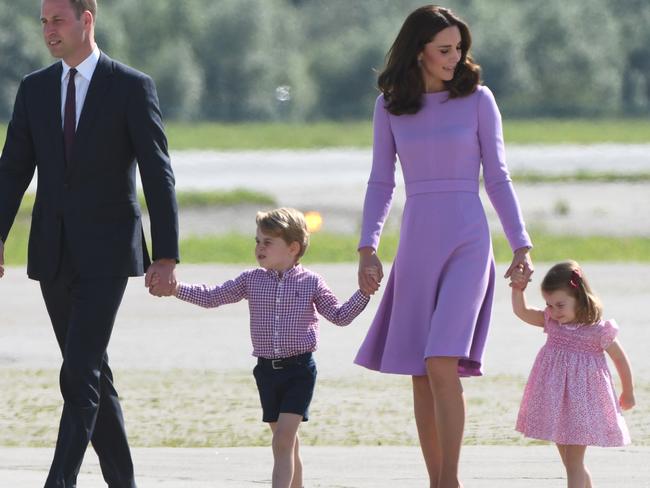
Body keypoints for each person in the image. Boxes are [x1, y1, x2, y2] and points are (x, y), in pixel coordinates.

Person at [353, 5, 534, 488]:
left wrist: (521, 244)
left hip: (468, 240)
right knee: (420, 369)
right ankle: (436, 481)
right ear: (419, 52)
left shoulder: (479, 100)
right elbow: (380, 182)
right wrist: (367, 247)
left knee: (441, 361)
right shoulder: (390, 105)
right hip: (416, 242)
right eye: (445, 49)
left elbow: (497, 177)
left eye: (459, 49)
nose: (455, 57)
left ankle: (450, 480)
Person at [0, 0, 179, 486]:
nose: (48, 30)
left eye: (57, 20)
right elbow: (12, 170)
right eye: (43, 22)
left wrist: (165, 254)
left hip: (108, 253)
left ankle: (59, 481)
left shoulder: (131, 87)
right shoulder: (35, 89)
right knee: (92, 372)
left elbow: (158, 173)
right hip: (52, 253)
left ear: (87, 19)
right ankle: (124, 481)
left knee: (78, 375)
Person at [151, 208, 371, 488]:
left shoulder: (311, 282)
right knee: (286, 443)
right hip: (266, 372)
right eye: (257, 241)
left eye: (268, 242)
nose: (259, 248)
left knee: (282, 442)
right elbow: (212, 297)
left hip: (299, 371)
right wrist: (175, 289)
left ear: (293, 248)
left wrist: (365, 291)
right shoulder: (251, 280)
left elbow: (340, 316)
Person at [510, 261, 634, 488]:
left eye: (560, 305)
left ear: (579, 296)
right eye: (549, 305)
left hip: (581, 406)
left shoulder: (597, 330)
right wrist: (517, 290)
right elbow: (522, 312)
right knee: (570, 463)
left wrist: (628, 391)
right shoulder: (551, 321)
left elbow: (620, 359)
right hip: (556, 403)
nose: (554, 312)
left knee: (574, 463)